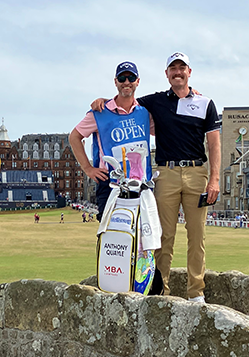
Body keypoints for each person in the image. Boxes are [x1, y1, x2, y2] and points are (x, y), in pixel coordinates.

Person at [92, 52, 220, 303]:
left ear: (189, 72)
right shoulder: (157, 101)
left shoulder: (205, 103)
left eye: (182, 68)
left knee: (197, 236)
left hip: (196, 173)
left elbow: (214, 145)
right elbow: (126, 98)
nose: (177, 72)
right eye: (173, 69)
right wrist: (103, 101)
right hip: (166, 174)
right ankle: (162, 291)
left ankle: (196, 293)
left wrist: (215, 180)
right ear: (167, 74)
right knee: (162, 236)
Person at [69, 61, 152, 222]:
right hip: (110, 183)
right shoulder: (100, 112)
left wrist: (189, 93)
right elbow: (74, 137)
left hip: (141, 183)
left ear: (138, 81)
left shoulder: (144, 113)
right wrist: (87, 168)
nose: (126, 82)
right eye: (122, 78)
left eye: (131, 77)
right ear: (115, 82)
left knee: (139, 236)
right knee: (112, 238)